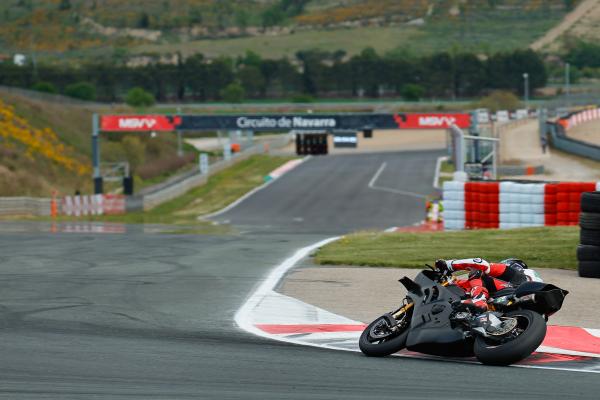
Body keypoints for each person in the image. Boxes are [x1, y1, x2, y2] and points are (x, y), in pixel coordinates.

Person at [434, 258, 542, 312]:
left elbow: (480, 262)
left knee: (478, 271)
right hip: (520, 307)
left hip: (514, 291)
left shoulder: (517, 274)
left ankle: (478, 300)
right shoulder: (534, 279)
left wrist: (448, 265)